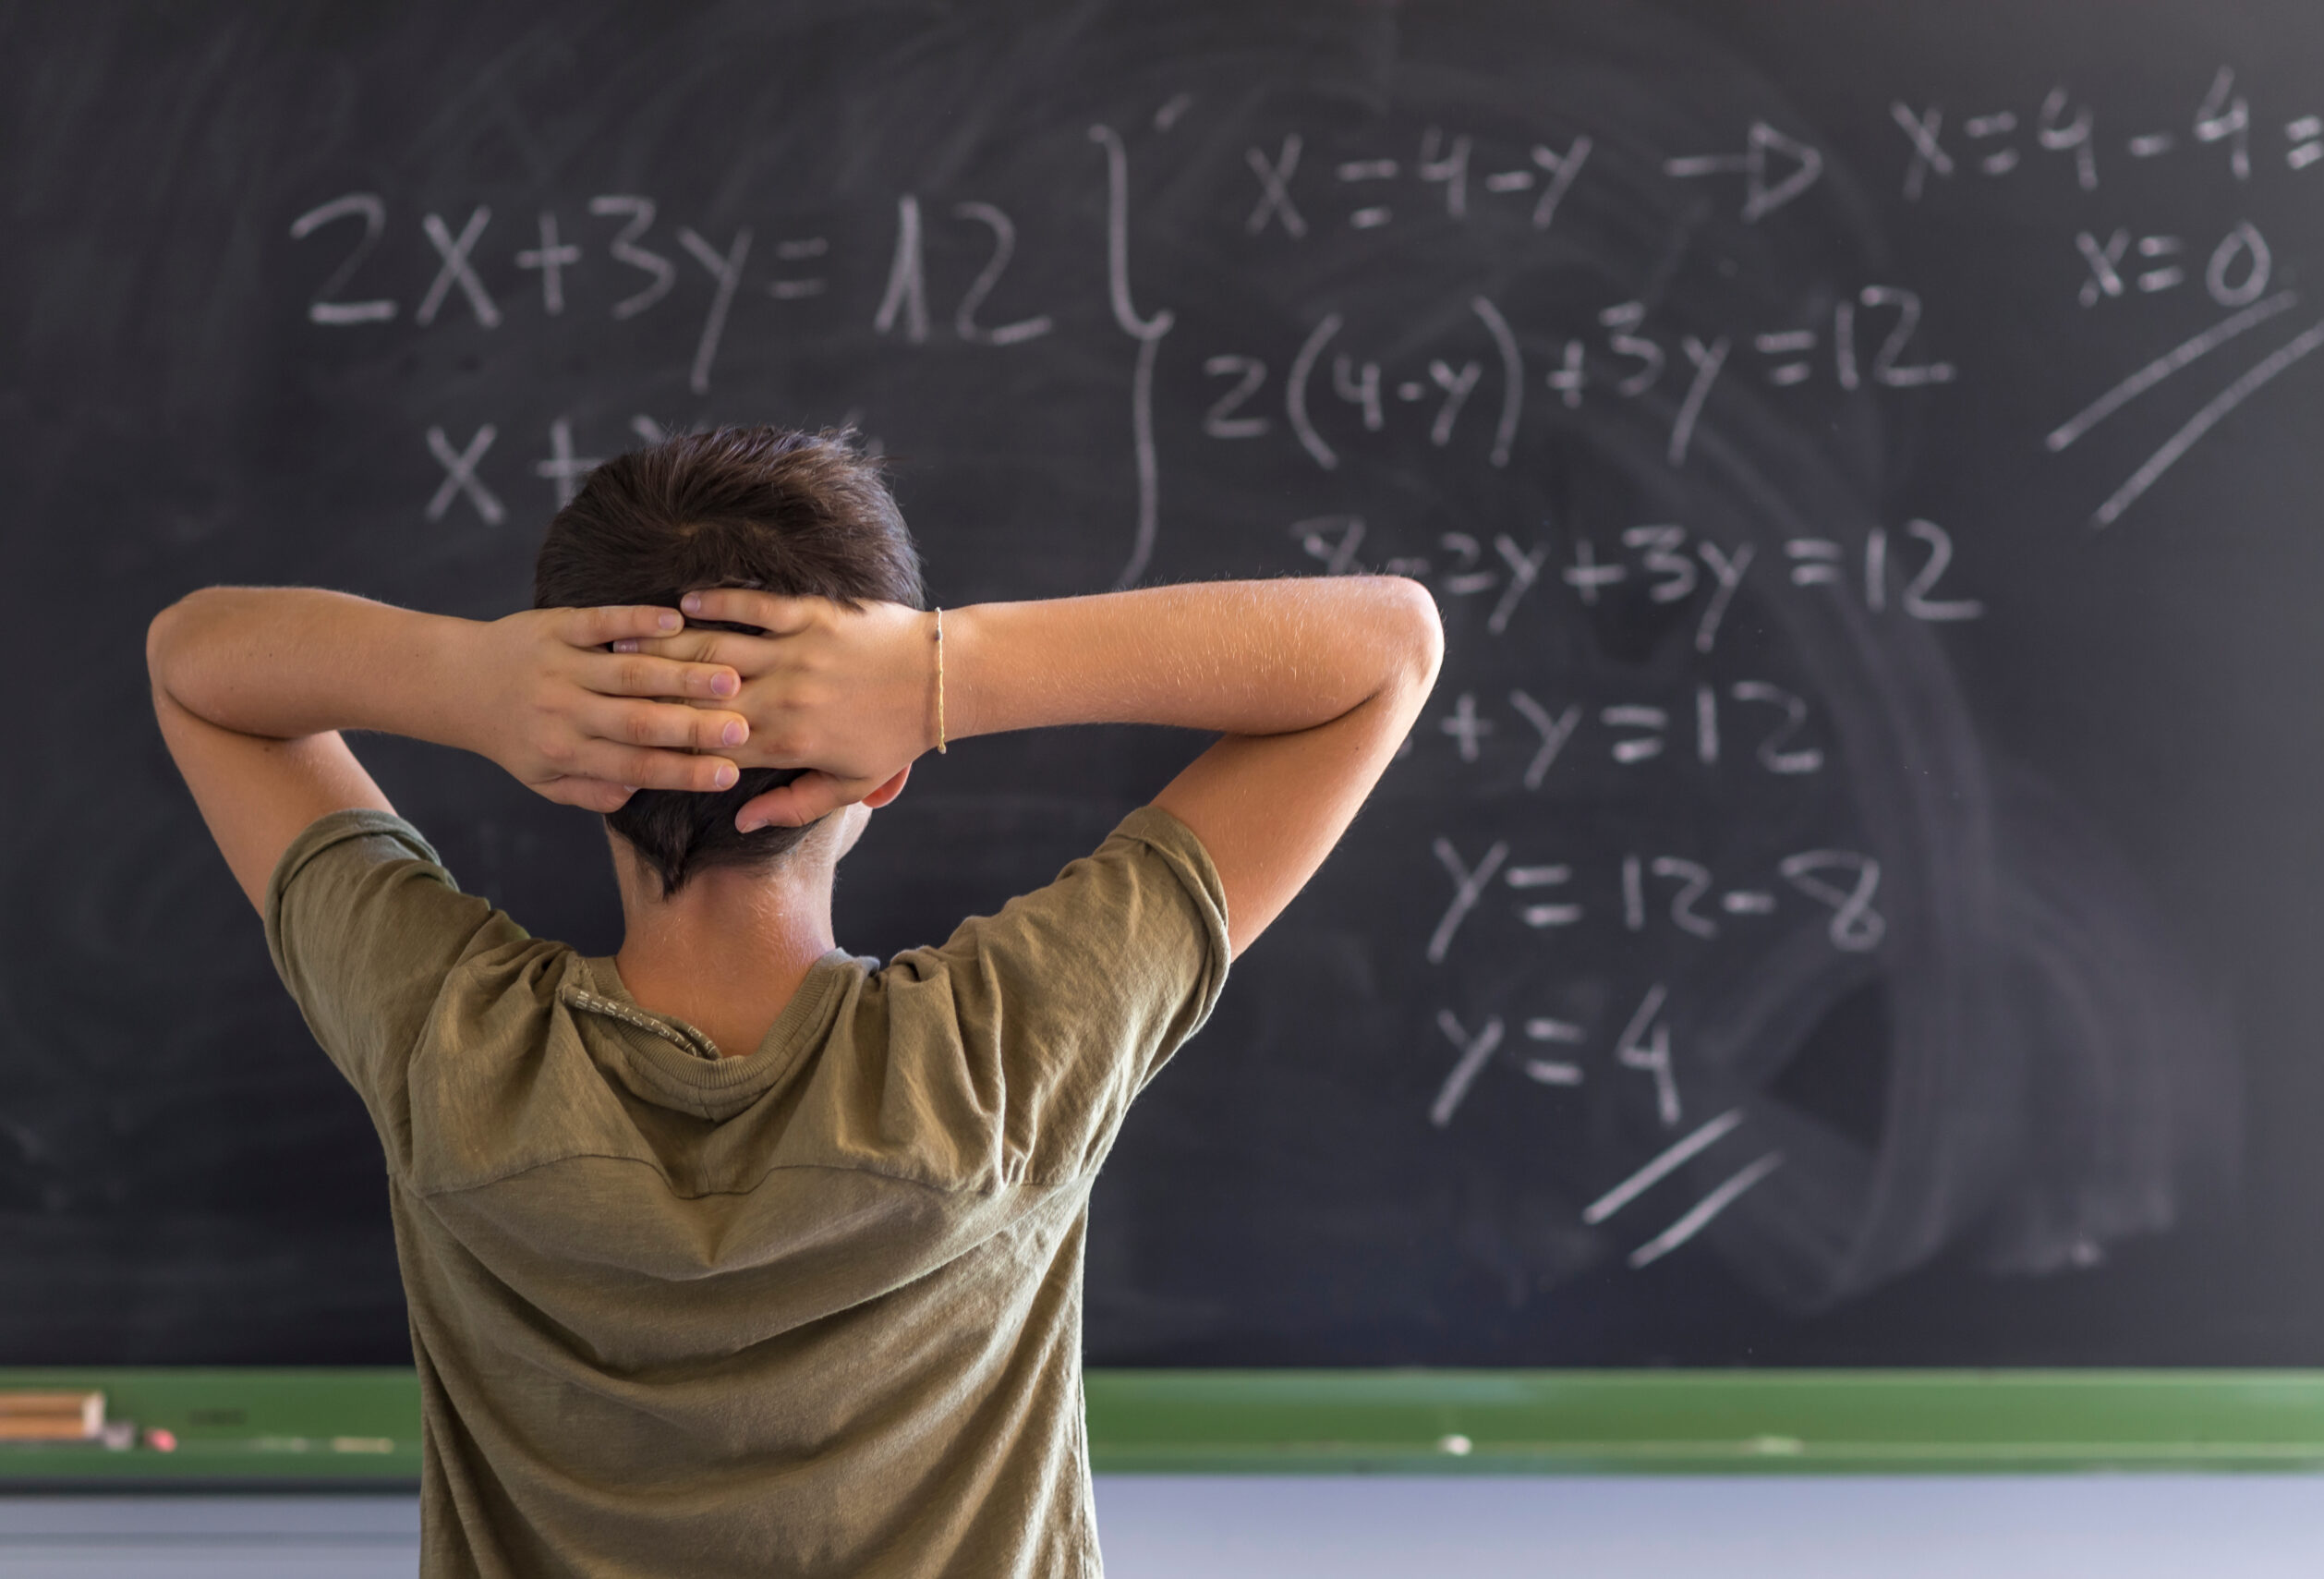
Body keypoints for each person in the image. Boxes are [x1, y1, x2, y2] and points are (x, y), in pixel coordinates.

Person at [145, 427, 1443, 1578]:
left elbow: (195, 663)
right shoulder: (1003, 1060)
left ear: (577, 769)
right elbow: (1387, 647)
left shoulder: (451, 1045)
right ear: (880, 776)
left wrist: (472, 682)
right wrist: (946, 671)